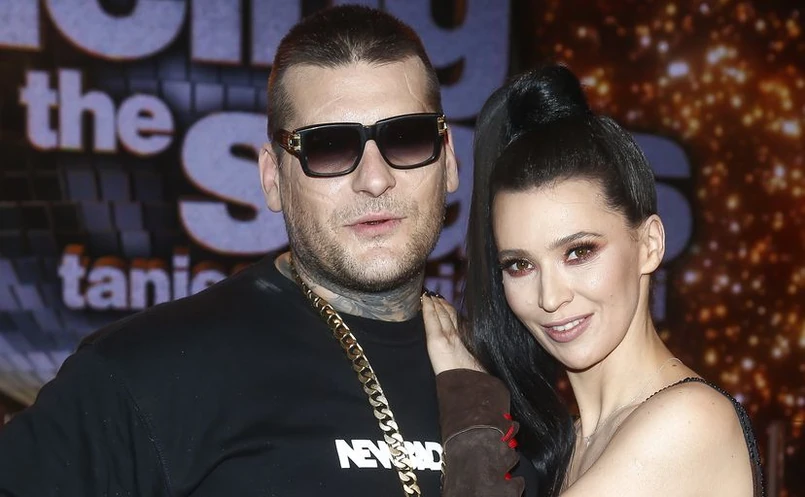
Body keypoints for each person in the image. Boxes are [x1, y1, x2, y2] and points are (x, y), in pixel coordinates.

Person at [0, 6, 534, 497]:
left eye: (407, 138)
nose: (375, 179)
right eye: (328, 147)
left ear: (448, 160)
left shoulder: (515, 372)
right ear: (272, 178)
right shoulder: (147, 371)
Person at [422, 65, 764, 497]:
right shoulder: (572, 445)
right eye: (520, 265)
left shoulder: (689, 422)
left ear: (650, 244)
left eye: (579, 252)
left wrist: (469, 403)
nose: (550, 297)